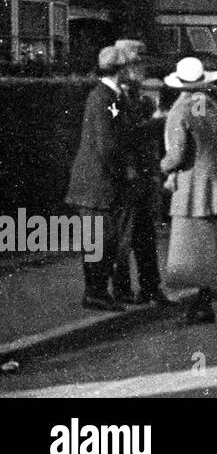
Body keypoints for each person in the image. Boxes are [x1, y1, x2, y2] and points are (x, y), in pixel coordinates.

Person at [160, 57, 217, 325]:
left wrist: (161, 166)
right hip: (215, 182)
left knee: (188, 249)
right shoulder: (215, 109)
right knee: (209, 247)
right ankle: (204, 302)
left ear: (179, 84)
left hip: (191, 187)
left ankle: (194, 307)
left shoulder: (180, 111)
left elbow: (177, 155)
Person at [64, 44, 134, 311]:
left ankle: (99, 291)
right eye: (128, 66)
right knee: (99, 241)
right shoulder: (103, 97)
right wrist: (124, 174)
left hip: (101, 182)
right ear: (121, 69)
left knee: (105, 240)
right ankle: (95, 293)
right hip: (96, 183)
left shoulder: (112, 96)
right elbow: (107, 146)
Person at [112, 40, 171, 306]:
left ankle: (150, 288)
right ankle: (122, 290)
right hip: (126, 178)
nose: (142, 68)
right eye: (137, 63)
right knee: (123, 238)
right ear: (123, 66)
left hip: (145, 176)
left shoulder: (142, 99)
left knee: (146, 236)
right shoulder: (114, 99)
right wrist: (156, 123)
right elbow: (121, 137)